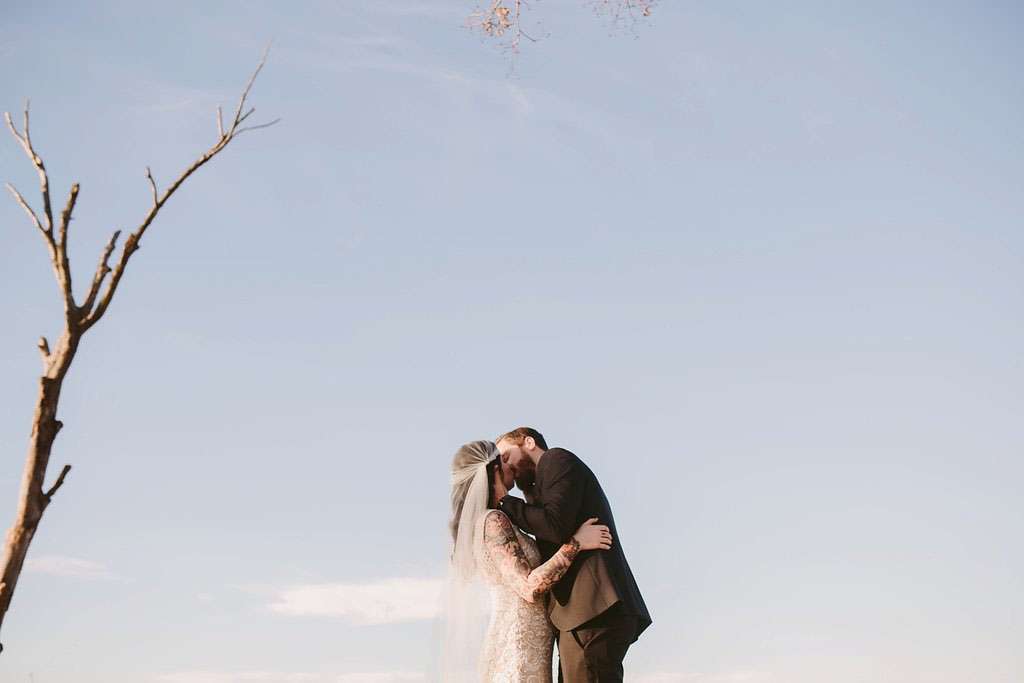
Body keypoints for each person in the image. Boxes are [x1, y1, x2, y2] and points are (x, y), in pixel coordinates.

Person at [444, 440, 613, 682]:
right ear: (493, 471)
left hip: (529, 639)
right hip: (518, 641)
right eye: (502, 461)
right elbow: (529, 587)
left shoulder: (495, 519)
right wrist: (577, 543)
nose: (509, 465)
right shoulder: (493, 521)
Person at [495, 427, 652, 682]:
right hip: (580, 616)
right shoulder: (538, 489)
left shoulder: (557, 460)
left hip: (593, 608)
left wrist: (504, 500)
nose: (507, 465)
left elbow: (554, 525)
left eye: (506, 456)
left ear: (529, 442)